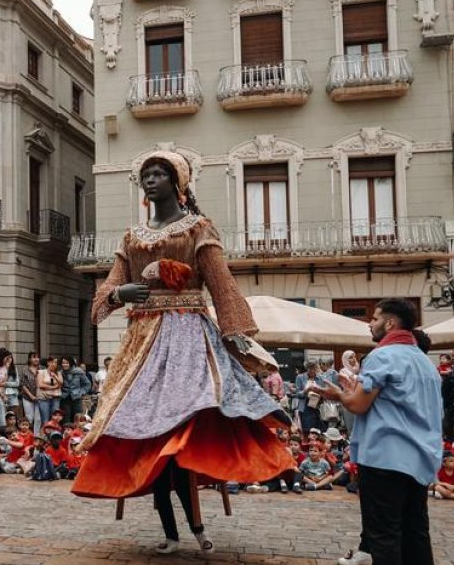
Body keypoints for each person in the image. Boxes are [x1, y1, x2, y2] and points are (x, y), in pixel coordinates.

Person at [72, 151, 291, 557]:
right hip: (143, 342)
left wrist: (237, 333)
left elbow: (221, 284)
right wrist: (121, 293)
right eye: (146, 174)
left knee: (186, 430)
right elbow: (104, 297)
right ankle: (173, 529)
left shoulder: (198, 228)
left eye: (159, 174)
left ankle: (195, 524)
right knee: (148, 436)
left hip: (190, 336)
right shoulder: (131, 237)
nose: (150, 180)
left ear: (178, 183)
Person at [312, 298, 442, 565]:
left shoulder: (382, 355)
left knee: (384, 535)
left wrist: (338, 394)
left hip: (386, 456)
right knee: (416, 531)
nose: (370, 324)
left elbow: (358, 405)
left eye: (374, 319)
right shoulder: (425, 362)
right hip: (421, 457)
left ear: (390, 323)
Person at [60, 357, 91, 423]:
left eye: (67, 363)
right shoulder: (60, 373)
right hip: (65, 398)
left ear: (71, 363)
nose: (65, 364)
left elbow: (87, 384)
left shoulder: (78, 372)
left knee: (78, 418)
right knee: (66, 419)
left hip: (76, 398)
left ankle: (77, 433)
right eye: (63, 363)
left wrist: (81, 392)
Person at [36, 356, 62, 429]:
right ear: (48, 363)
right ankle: (45, 437)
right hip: (44, 398)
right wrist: (53, 387)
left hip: (56, 398)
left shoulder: (58, 373)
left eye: (55, 362)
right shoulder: (41, 372)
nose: (53, 364)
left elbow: (60, 383)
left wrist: (55, 376)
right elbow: (40, 385)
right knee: (45, 420)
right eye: (52, 362)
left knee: (55, 419)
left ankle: (54, 435)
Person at [19, 352, 41, 434]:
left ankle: (36, 436)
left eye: (37, 357)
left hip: (40, 397)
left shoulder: (42, 369)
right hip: (27, 397)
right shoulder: (25, 370)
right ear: (29, 359)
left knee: (38, 419)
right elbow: (22, 384)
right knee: (29, 418)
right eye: (34, 357)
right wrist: (31, 396)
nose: (36, 359)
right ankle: (28, 435)